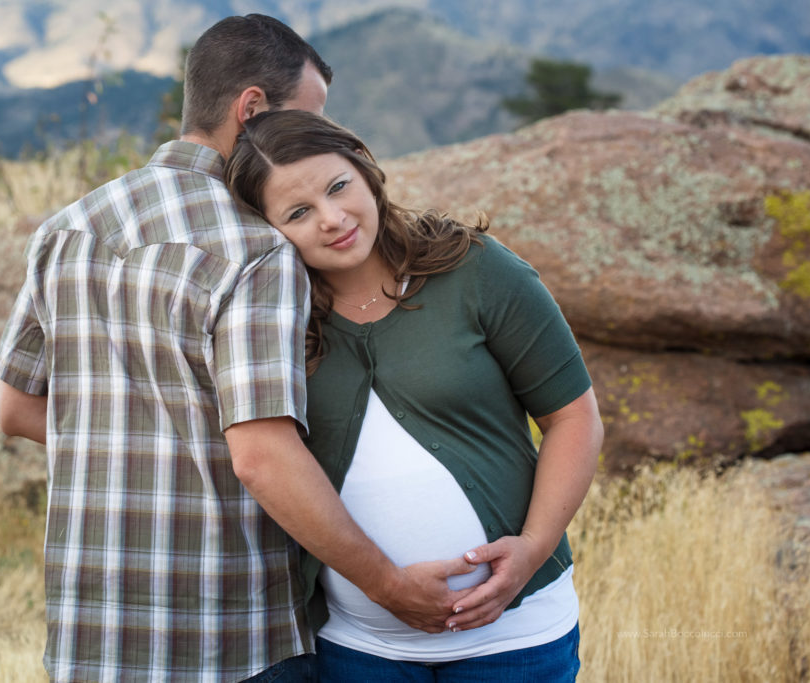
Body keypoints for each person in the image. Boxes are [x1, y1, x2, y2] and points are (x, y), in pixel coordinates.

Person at [0, 15, 476, 683]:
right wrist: (392, 587)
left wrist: (137, 445)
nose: (311, 144)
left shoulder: (67, 227)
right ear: (250, 110)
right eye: (303, 121)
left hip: (90, 632)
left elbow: (16, 409)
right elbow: (264, 457)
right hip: (231, 638)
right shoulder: (257, 247)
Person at [224, 109, 604, 681]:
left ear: (365, 168)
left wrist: (532, 549)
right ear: (267, 229)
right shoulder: (272, 321)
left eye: (338, 187)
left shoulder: (477, 269)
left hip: (517, 642)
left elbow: (574, 418)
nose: (332, 219)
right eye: (299, 212)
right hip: (358, 649)